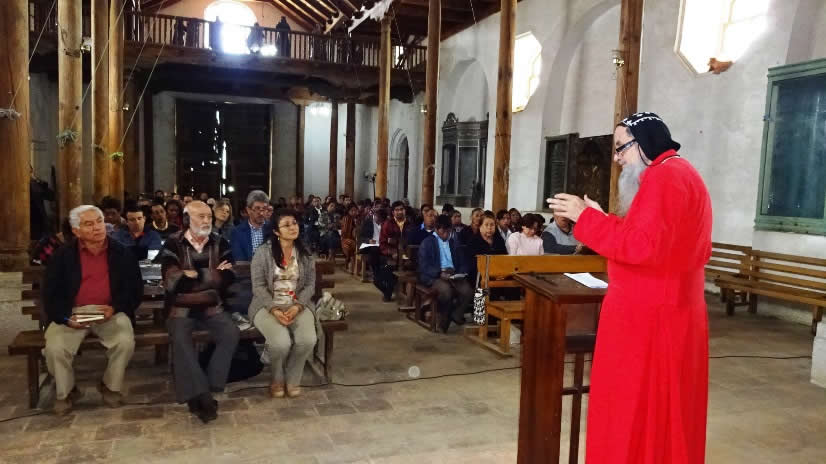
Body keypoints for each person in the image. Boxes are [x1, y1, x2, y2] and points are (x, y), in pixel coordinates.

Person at [548, 112, 712, 464]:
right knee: (665, 415)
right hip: (671, 314)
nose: (617, 157)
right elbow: (654, 240)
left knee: (633, 412)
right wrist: (602, 218)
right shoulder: (680, 172)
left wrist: (585, 217)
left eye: (621, 147)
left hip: (650, 323)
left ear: (644, 143)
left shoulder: (663, 178)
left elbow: (640, 247)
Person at [42, 205, 142, 415]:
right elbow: (50, 295)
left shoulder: (122, 253)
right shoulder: (62, 256)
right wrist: (65, 317)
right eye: (89, 224)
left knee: (124, 341)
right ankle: (67, 392)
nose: (97, 227)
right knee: (55, 348)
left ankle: (110, 386)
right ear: (76, 231)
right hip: (72, 312)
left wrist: (115, 307)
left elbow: (134, 290)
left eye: (99, 221)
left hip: (109, 311)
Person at [158, 201, 238, 424]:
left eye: (209, 216)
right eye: (200, 216)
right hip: (180, 307)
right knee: (180, 339)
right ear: (186, 219)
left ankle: (206, 387)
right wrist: (212, 276)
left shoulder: (220, 242)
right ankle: (203, 396)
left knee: (230, 333)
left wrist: (194, 275)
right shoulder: (173, 243)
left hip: (212, 305)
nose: (206, 221)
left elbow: (229, 276)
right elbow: (173, 281)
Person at [250, 209, 319, 398]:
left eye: (294, 223)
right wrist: (274, 309)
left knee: (307, 340)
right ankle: (277, 378)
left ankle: (293, 378)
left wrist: (297, 306)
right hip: (267, 305)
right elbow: (258, 286)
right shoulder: (263, 253)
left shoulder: (305, 253)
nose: (292, 228)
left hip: (298, 304)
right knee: (281, 343)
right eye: (286, 225)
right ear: (276, 231)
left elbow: (310, 285)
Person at [417, 215, 473, 333]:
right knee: (447, 291)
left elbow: (463, 261)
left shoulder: (454, 242)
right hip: (436, 275)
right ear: (437, 229)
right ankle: (443, 323)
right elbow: (424, 266)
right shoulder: (427, 243)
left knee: (468, 291)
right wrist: (439, 273)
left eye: (449, 231)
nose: (446, 234)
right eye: (444, 232)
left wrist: (461, 272)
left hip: (453, 274)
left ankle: (456, 315)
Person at [231, 190, 270, 262]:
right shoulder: (237, 232)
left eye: (264, 209)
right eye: (257, 208)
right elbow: (239, 261)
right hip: (247, 268)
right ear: (248, 210)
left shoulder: (273, 229)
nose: (261, 213)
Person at [468, 212, 508, 281]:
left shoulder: (499, 240)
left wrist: (501, 273)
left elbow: (504, 259)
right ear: (480, 227)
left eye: (492, 225)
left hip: (498, 274)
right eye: (486, 225)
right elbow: (473, 265)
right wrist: (492, 275)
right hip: (479, 275)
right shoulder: (473, 241)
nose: (489, 228)